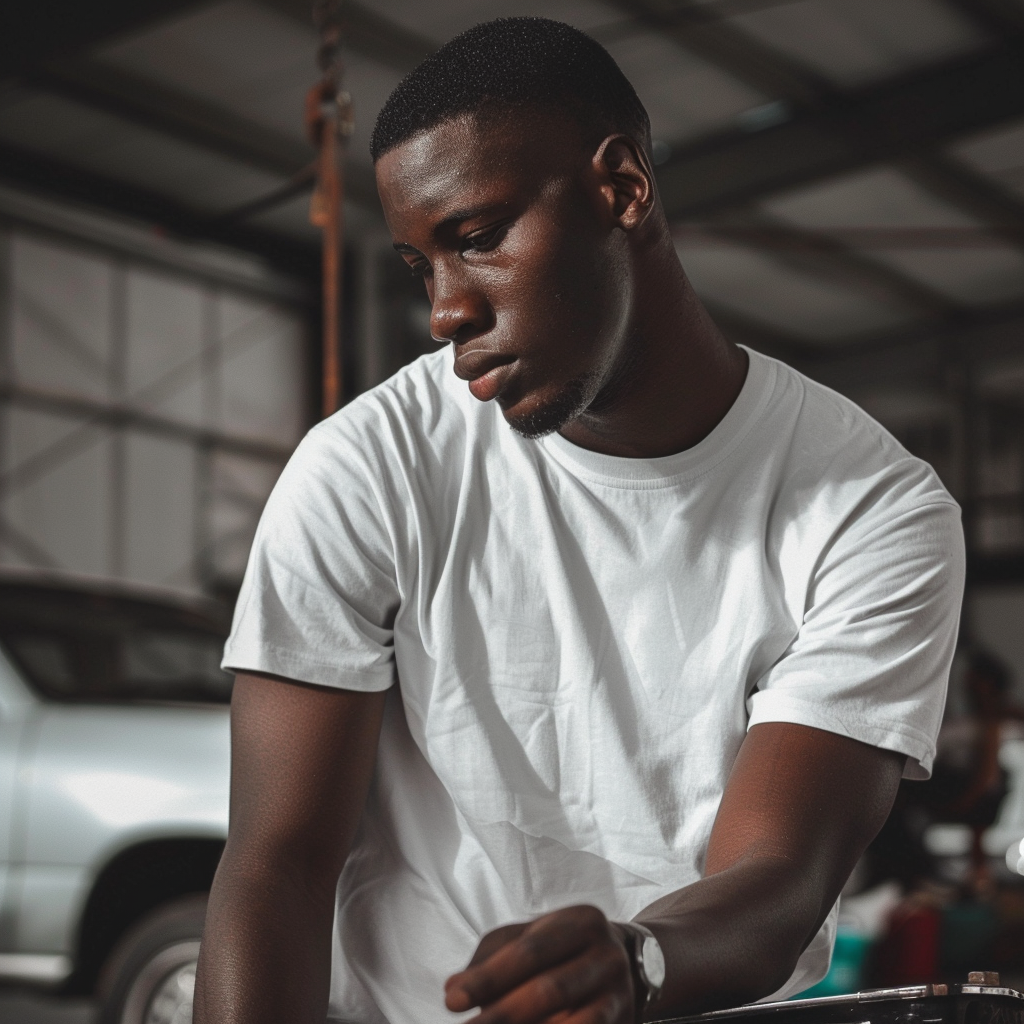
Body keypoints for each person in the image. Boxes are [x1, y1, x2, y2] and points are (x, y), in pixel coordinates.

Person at [194, 17, 965, 1024]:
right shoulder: (368, 467)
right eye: (420, 264)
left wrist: (636, 961)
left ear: (622, 189)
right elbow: (274, 865)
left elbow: (780, 873)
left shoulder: (872, 509)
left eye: (476, 238)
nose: (444, 311)